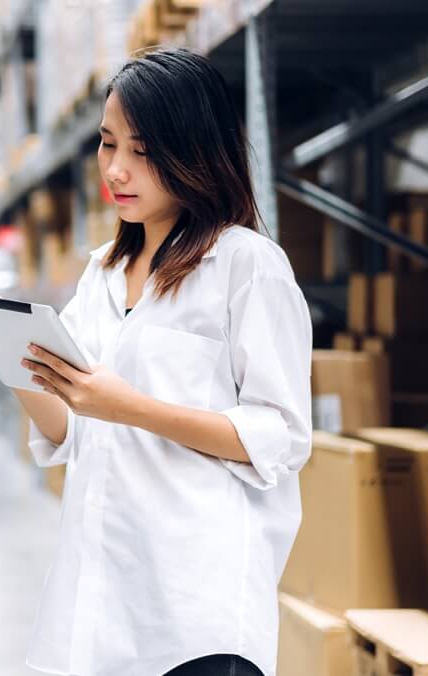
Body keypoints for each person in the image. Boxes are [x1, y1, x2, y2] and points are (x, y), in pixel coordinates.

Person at [16, 49, 312, 676]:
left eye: (142, 150)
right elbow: (69, 430)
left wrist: (129, 407)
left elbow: (279, 437)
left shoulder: (245, 265)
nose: (117, 169)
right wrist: (15, 363)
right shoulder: (102, 275)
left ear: (193, 150)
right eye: (106, 143)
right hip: (97, 599)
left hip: (194, 607)